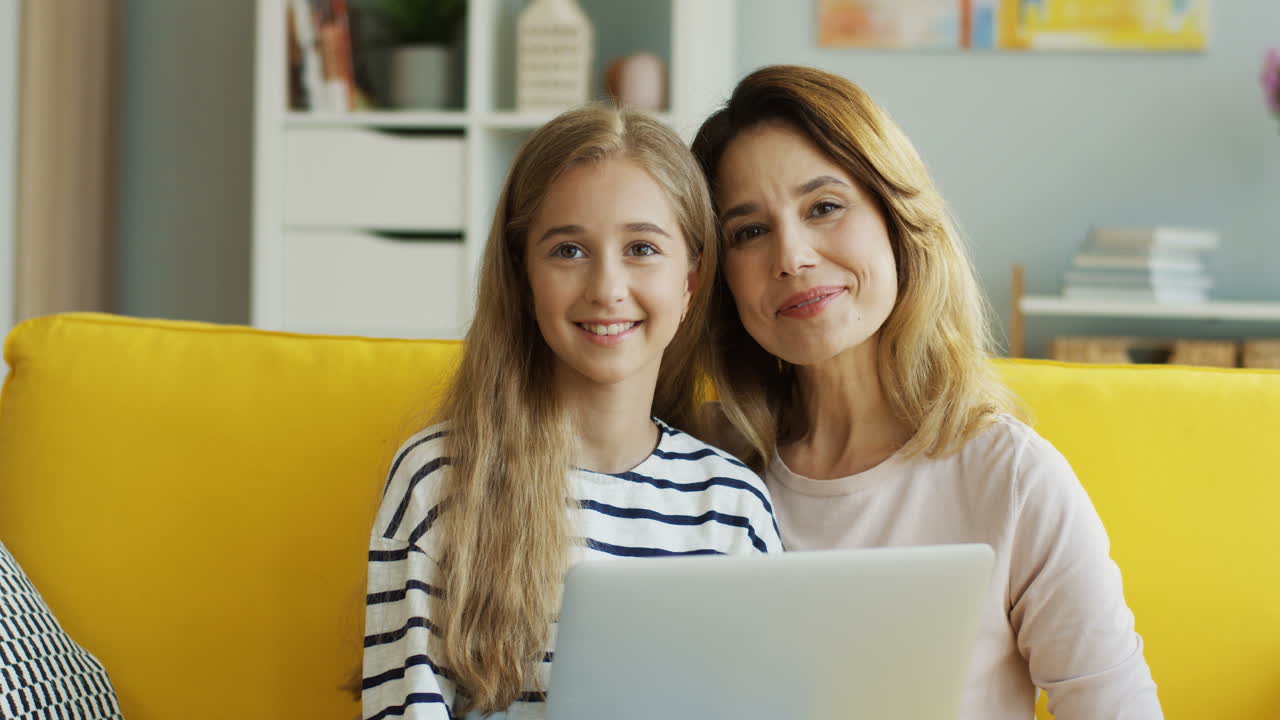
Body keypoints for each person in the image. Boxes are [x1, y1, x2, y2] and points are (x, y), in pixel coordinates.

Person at [690, 65, 1162, 720]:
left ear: (897, 219)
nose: (792, 256)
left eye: (823, 207)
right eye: (750, 231)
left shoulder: (1011, 479)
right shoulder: (698, 467)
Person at [362, 104, 781, 720]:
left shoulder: (732, 504)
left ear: (690, 282)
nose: (607, 287)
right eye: (568, 251)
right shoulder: (442, 477)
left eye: (641, 247)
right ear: (524, 275)